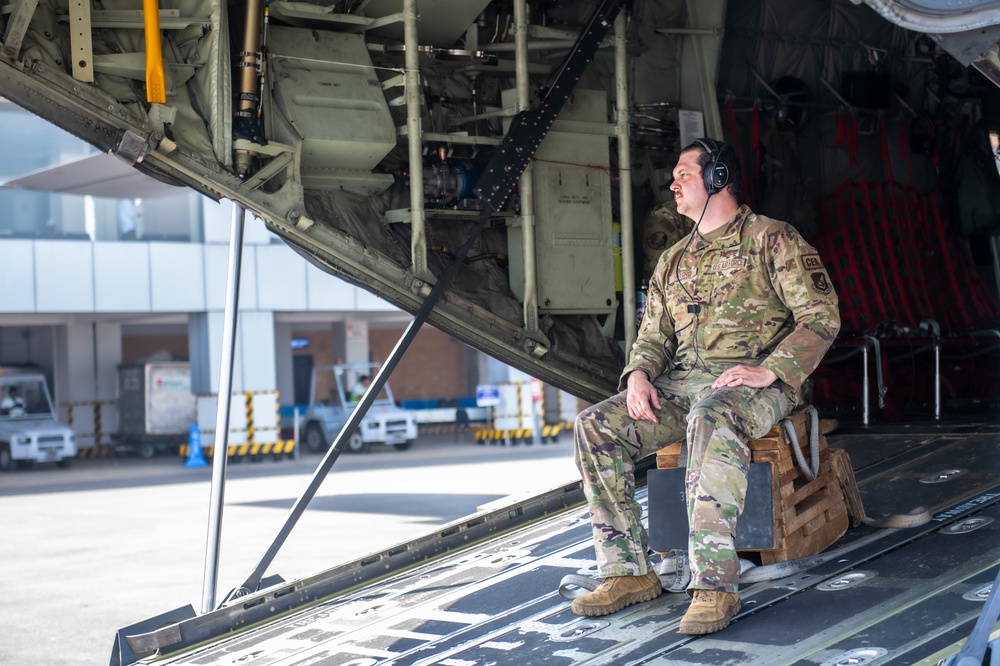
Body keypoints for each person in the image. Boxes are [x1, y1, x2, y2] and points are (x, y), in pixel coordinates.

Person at [572, 138, 841, 634]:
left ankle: (715, 584)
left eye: (684, 174)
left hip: (753, 383)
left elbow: (821, 316)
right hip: (683, 385)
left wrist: (773, 368)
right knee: (594, 426)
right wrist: (638, 375)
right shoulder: (673, 259)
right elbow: (652, 335)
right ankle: (628, 572)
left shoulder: (772, 239)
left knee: (710, 416)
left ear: (718, 177)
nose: (672, 184)